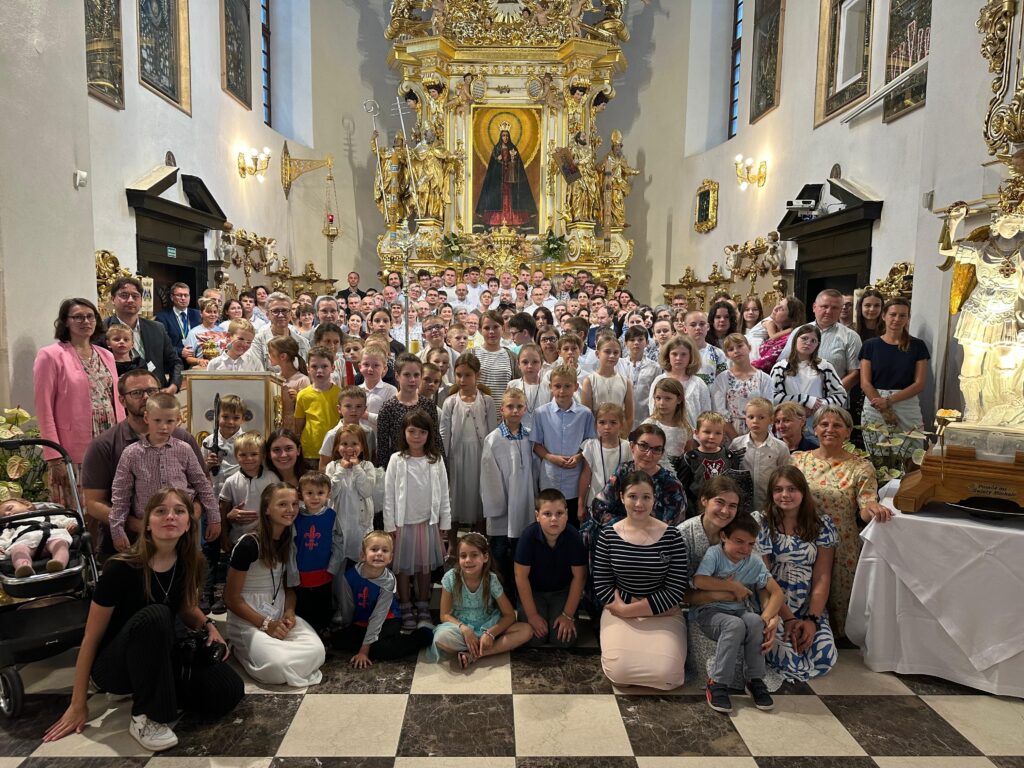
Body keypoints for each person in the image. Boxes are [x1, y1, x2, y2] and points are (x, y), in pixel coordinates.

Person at [43, 488, 243, 752]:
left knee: (228, 690)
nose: (170, 516)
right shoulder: (121, 568)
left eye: (179, 511)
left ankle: (159, 691)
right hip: (114, 666)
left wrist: (208, 626)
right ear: (147, 523)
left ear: (188, 524)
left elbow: (185, 606)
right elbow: (90, 637)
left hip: (160, 654)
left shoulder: (188, 562)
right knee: (156, 614)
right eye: (161, 511)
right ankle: (146, 715)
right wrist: (78, 703)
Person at [789, 406, 891, 637]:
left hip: (842, 544)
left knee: (840, 602)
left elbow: (865, 505)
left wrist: (874, 509)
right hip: (802, 538)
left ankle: (834, 641)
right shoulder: (798, 461)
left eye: (837, 425)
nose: (830, 429)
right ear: (814, 429)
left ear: (848, 431)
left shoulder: (861, 467)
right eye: (824, 424)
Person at [592, 471, 689, 690]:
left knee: (667, 676)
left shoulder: (672, 536)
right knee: (620, 674)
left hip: (659, 613)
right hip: (619, 610)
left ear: (654, 498)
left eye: (646, 497)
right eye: (632, 496)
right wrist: (624, 609)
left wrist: (630, 609)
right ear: (621, 497)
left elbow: (675, 589)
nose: (639, 504)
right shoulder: (608, 535)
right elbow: (602, 584)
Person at [223, 483, 325, 686]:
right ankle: (238, 645)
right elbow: (231, 598)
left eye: (294, 504)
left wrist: (289, 612)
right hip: (249, 618)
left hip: (277, 612)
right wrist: (266, 625)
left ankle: (267, 651)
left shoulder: (288, 541)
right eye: (282, 504)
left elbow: (288, 588)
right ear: (267, 509)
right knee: (279, 666)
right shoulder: (249, 544)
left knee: (318, 651)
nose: (291, 510)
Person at [34, 298, 124, 507]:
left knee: (110, 505)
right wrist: (54, 456)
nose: (86, 321)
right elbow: (44, 408)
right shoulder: (50, 355)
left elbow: (116, 399)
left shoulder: (106, 355)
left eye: (90, 316)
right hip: (73, 447)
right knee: (80, 508)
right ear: (65, 321)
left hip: (109, 440)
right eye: (78, 317)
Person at [753, 465, 839, 682]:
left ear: (803, 491)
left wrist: (811, 619)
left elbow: (822, 577)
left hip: (807, 604)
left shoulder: (822, 524)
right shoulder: (761, 523)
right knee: (788, 657)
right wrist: (788, 618)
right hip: (773, 603)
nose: (785, 495)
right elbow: (763, 578)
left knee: (824, 656)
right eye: (778, 489)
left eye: (792, 489)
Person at [692, 514, 784, 713]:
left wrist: (767, 618)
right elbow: (699, 580)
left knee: (755, 621)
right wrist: (732, 586)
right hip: (710, 612)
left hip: (739, 611)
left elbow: (777, 593)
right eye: (739, 541)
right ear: (724, 536)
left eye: (751, 544)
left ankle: (755, 679)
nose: (745, 549)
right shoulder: (715, 554)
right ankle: (717, 682)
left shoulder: (754, 562)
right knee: (734, 625)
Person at [109, 394, 220, 553]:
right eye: (157, 421)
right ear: (147, 418)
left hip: (184, 526)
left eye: (169, 421)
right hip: (148, 528)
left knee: (188, 563)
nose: (164, 427)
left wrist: (214, 518)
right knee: (149, 564)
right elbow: (120, 495)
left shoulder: (184, 449)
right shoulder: (131, 453)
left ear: (178, 420)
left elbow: (203, 485)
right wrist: (117, 530)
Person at [384, 411, 450, 631]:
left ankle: (423, 604)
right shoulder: (397, 459)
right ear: (404, 432)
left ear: (429, 434)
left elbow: (444, 493)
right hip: (403, 524)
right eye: (412, 431)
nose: (416, 436)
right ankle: (405, 604)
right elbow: (389, 494)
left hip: (428, 523)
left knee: (424, 567)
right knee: (403, 567)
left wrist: (444, 522)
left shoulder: (435, 460)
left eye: (422, 432)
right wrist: (390, 524)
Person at [429, 532, 532, 669]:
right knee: (441, 638)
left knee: (526, 630)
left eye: (474, 555)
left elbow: (510, 615)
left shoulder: (491, 579)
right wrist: (464, 629)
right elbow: (444, 615)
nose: (468, 560)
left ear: (485, 557)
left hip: (488, 623)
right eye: (463, 556)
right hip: (460, 627)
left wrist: (490, 633)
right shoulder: (450, 578)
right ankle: (477, 646)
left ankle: (475, 654)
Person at [333, 531, 433, 666]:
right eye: (374, 549)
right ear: (363, 555)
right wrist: (348, 627)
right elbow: (348, 606)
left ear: (390, 558)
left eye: (385, 551)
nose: (379, 553)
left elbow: (378, 617)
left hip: (387, 619)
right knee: (338, 640)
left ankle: (422, 635)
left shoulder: (388, 581)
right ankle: (372, 643)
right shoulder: (349, 576)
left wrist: (364, 651)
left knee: (383, 650)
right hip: (362, 620)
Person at [514, 489, 587, 647]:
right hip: (534, 592)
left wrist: (567, 615)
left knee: (564, 639)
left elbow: (579, 577)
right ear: (537, 516)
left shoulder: (573, 536)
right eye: (547, 514)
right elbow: (521, 576)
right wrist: (532, 615)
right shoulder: (528, 536)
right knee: (533, 638)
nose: (554, 519)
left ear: (567, 514)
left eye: (559, 513)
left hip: (562, 592)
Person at [480, 388, 537, 585]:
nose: (515, 411)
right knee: (499, 550)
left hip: (525, 502)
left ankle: (518, 589)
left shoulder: (530, 437)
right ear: (502, 409)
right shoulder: (493, 439)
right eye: (510, 406)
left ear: (525, 409)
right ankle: (500, 591)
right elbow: (489, 477)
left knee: (522, 551)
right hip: (502, 507)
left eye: (519, 406)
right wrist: (498, 506)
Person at [440, 353, 496, 549]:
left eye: (467, 375)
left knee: (478, 497)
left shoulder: (487, 401)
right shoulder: (450, 402)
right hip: (457, 456)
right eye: (459, 375)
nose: (462, 380)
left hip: (480, 455)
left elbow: (492, 432)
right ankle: (452, 545)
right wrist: (444, 458)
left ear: (477, 375)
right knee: (455, 497)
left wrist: (490, 459)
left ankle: (478, 542)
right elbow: (444, 432)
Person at [531, 364, 597, 528]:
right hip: (549, 478)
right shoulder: (541, 413)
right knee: (549, 521)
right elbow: (536, 445)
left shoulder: (585, 414)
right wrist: (551, 457)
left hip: (574, 481)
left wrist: (579, 456)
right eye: (557, 386)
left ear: (575, 386)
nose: (562, 391)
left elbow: (590, 444)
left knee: (571, 522)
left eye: (567, 386)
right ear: (550, 387)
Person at [588, 423, 687, 533]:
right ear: (632, 446)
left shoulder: (672, 486)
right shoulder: (623, 471)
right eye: (643, 446)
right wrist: (625, 528)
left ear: (662, 453)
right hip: (615, 534)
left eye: (656, 449)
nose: (649, 454)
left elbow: (672, 528)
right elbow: (599, 507)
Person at [859, 297, 930, 437]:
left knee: (911, 447)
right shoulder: (870, 345)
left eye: (902, 315)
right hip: (875, 403)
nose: (897, 319)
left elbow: (919, 384)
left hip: (906, 403)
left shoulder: (918, 346)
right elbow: (865, 383)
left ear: (908, 318)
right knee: (877, 448)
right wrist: (884, 409)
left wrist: (889, 401)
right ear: (884, 316)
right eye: (893, 314)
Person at [287, 471, 345, 633]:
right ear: (301, 495)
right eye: (309, 493)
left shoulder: (331, 516)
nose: (315, 498)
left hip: (324, 570)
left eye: (320, 493)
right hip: (301, 572)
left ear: (328, 494)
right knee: (303, 607)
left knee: (323, 605)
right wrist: (292, 572)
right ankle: (305, 634)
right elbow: (290, 547)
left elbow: (338, 542)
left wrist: (333, 566)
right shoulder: (296, 517)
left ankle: (323, 632)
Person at [103, 277, 182, 393]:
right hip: (121, 396)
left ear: (141, 300)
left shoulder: (157, 328)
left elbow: (175, 362)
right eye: (124, 295)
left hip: (156, 394)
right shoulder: (102, 330)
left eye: (135, 296)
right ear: (113, 299)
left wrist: (173, 386)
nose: (130, 300)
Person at [776, 289, 862, 392]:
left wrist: (830, 394)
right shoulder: (798, 332)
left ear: (840, 310)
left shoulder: (851, 337)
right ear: (814, 307)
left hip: (832, 398)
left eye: (834, 308)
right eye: (824, 306)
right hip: (795, 396)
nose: (829, 311)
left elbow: (855, 374)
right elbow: (783, 363)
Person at [324, 424, 379, 568]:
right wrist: (341, 470)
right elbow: (330, 493)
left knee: (360, 560)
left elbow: (366, 491)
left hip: (361, 525)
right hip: (340, 523)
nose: (349, 448)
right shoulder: (332, 467)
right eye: (344, 444)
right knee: (338, 562)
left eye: (354, 444)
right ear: (337, 447)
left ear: (362, 447)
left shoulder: (367, 466)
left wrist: (357, 468)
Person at [375, 354, 443, 467]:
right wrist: (384, 473)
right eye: (407, 375)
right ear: (397, 376)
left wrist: (442, 466)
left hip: (425, 464)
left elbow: (435, 439)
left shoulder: (428, 405)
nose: (412, 380)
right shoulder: (388, 408)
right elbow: (383, 447)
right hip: (399, 465)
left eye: (416, 375)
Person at [675, 411, 746, 514]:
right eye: (707, 432)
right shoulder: (690, 458)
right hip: (696, 511)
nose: (712, 437)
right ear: (696, 433)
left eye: (718, 433)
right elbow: (682, 489)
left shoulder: (730, 457)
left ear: (723, 435)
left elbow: (735, 487)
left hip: (724, 510)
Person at [770, 324, 848, 416]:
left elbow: (840, 395)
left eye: (813, 341)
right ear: (795, 339)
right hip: (788, 418)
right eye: (804, 338)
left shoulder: (825, 366)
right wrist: (804, 399)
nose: (808, 343)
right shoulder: (780, 367)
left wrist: (819, 405)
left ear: (817, 345)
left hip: (817, 418)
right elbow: (771, 396)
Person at [731, 397, 789, 512]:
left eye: (761, 417)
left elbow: (784, 476)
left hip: (770, 505)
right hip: (742, 506)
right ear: (745, 419)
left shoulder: (781, 448)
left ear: (771, 420)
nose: (755, 421)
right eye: (751, 417)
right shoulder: (736, 444)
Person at [711, 333, 773, 438]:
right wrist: (736, 439)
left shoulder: (764, 378)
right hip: (730, 431)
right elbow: (719, 411)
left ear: (749, 348)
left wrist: (755, 437)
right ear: (727, 355)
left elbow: (768, 409)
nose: (736, 351)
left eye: (740, 346)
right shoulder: (722, 378)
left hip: (758, 431)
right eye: (731, 349)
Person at [475, 127, 537, 228]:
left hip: (511, 178)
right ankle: (497, 220)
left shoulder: (513, 148)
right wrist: (497, 160)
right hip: (499, 179)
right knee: (499, 197)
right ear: (501, 137)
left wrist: (513, 161)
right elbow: (492, 166)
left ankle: (513, 220)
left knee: (511, 196)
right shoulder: (497, 149)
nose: (505, 138)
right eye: (503, 136)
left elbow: (518, 165)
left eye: (507, 136)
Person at [648, 335, 712, 430]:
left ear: (691, 357)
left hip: (693, 434)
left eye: (683, 354)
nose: (678, 358)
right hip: (663, 433)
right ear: (668, 356)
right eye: (674, 354)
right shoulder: (659, 380)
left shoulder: (698, 384)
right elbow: (653, 409)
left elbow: (705, 414)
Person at [0, 498, 77, 576]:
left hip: (52, 536)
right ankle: (23, 567)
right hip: (25, 542)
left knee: (60, 543)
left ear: (27, 505)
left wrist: (73, 525)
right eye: (3, 516)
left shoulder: (49, 515)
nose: (7, 514)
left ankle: (58, 562)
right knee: (17, 550)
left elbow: (66, 521)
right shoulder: (11, 527)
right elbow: (3, 539)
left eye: (10, 508)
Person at [578, 403, 630, 515]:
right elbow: (586, 475)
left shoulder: (627, 447)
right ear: (596, 424)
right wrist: (580, 504)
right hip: (594, 503)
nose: (607, 427)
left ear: (621, 424)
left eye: (613, 422)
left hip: (620, 505)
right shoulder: (591, 446)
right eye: (602, 422)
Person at [293, 346, 342, 462]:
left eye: (324, 366)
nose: (319, 370)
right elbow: (299, 426)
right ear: (308, 368)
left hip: (334, 449)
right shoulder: (303, 395)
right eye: (314, 366)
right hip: (310, 451)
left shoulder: (340, 394)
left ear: (333, 368)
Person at [580, 335, 633, 432]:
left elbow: (629, 416)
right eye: (607, 352)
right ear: (597, 354)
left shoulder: (625, 382)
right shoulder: (589, 381)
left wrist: (623, 435)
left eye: (616, 352)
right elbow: (587, 414)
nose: (612, 356)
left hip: (618, 434)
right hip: (596, 434)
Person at [250, 292, 311, 372]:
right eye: (275, 311)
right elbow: (258, 372)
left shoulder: (303, 342)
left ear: (290, 313)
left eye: (284, 310)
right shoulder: (258, 341)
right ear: (267, 315)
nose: (281, 315)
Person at [617, 326, 660, 427]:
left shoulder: (655, 367)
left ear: (647, 343)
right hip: (621, 416)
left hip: (644, 417)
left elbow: (656, 393)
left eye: (640, 339)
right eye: (632, 340)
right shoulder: (618, 364)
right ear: (626, 343)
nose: (636, 343)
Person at [752, 295, 805, 373]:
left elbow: (762, 364)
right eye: (778, 304)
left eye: (782, 309)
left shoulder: (788, 339)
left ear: (791, 318)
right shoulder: (772, 327)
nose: (776, 308)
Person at [645, 377, 692, 465]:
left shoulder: (685, 428)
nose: (662, 403)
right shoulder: (650, 424)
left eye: (667, 398)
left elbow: (688, 454)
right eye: (658, 398)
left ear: (679, 399)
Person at [507, 342, 549, 431]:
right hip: (518, 433)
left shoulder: (548, 387)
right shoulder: (512, 385)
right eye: (525, 362)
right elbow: (507, 412)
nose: (530, 366)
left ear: (541, 363)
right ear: (518, 364)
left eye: (535, 362)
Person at [154, 282, 201, 356]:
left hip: (196, 356)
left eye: (186, 295)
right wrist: (180, 351)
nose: (183, 298)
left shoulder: (198, 314)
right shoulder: (162, 317)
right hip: (175, 358)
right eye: (179, 295)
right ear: (172, 297)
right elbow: (161, 343)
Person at [682, 311, 727, 385]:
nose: (698, 328)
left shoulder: (717, 353)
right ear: (685, 329)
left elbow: (723, 381)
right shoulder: (679, 353)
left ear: (708, 327)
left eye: (702, 324)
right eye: (693, 325)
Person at [181, 297, 228, 368]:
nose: (212, 314)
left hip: (221, 368)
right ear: (201, 313)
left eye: (215, 312)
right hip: (202, 369)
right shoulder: (193, 332)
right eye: (209, 312)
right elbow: (188, 358)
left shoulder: (222, 331)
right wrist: (199, 361)